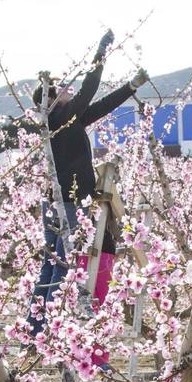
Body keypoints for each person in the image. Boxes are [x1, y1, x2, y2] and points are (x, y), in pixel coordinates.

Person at [29, 28, 148, 348]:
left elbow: (101, 106)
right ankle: (57, 322)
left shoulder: (62, 120)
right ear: (51, 102)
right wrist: (102, 49)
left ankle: (36, 327)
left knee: (51, 263)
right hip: (69, 199)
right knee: (66, 262)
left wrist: (131, 87)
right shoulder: (62, 116)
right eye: (60, 91)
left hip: (53, 199)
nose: (68, 92)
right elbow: (91, 88)